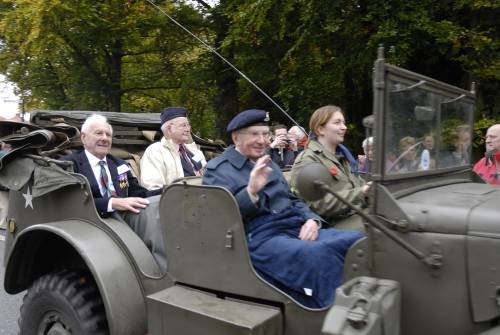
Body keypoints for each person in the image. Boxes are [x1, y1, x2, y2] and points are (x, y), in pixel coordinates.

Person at [202, 109, 363, 309]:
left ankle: (361, 301)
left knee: (356, 241)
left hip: (294, 226)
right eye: (254, 134)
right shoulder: (218, 170)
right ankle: (341, 316)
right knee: (317, 256)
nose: (262, 140)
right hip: (259, 237)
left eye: (265, 134)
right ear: (236, 137)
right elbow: (221, 217)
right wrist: (251, 191)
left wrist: (312, 220)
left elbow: (293, 199)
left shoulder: (269, 163)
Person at [63, 114, 166, 271]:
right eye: (99, 133)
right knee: (152, 215)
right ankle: (160, 270)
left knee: (159, 205)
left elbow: (136, 192)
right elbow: (72, 202)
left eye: (108, 135)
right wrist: (113, 203)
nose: (105, 138)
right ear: (83, 138)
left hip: (123, 216)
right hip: (92, 220)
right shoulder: (70, 165)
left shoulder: (119, 164)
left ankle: (164, 267)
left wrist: (165, 191)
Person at [290, 105, 370, 229]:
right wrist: (361, 193)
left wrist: (369, 190)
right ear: (320, 129)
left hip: (359, 215)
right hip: (335, 224)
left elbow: (360, 183)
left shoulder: (344, 158)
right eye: (337, 123)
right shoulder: (308, 160)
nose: (344, 127)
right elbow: (317, 204)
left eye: (343, 123)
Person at [140, 107, 206, 190]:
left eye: (188, 125)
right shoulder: (155, 151)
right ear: (169, 129)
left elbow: (207, 175)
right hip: (177, 199)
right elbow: (153, 187)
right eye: (183, 125)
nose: (188, 129)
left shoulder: (194, 150)